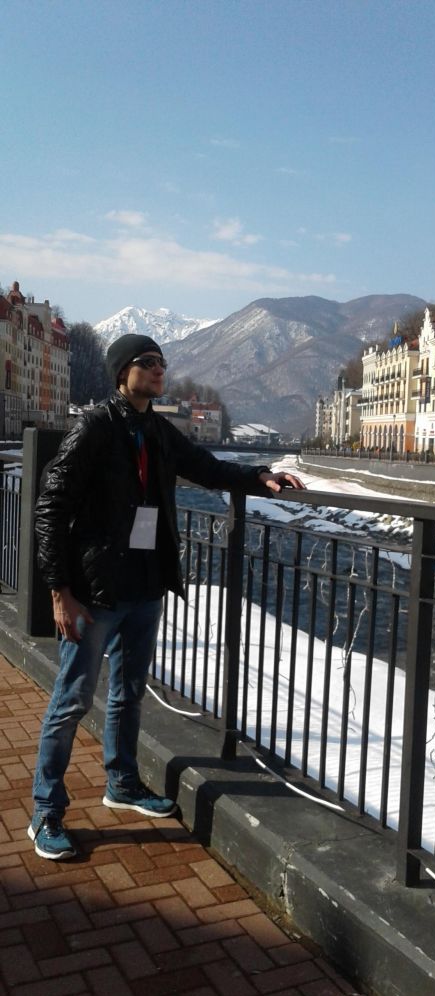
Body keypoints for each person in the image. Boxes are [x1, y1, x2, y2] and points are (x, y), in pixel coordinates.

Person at [29, 334, 304, 860]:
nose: (160, 370)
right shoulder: (94, 428)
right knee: (72, 700)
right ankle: (46, 810)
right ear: (122, 373)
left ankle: (122, 783)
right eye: (148, 362)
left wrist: (261, 476)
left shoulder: (157, 429)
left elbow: (207, 466)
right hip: (94, 591)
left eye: (162, 362)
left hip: (145, 585)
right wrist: (59, 591)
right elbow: (50, 506)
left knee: (128, 693)